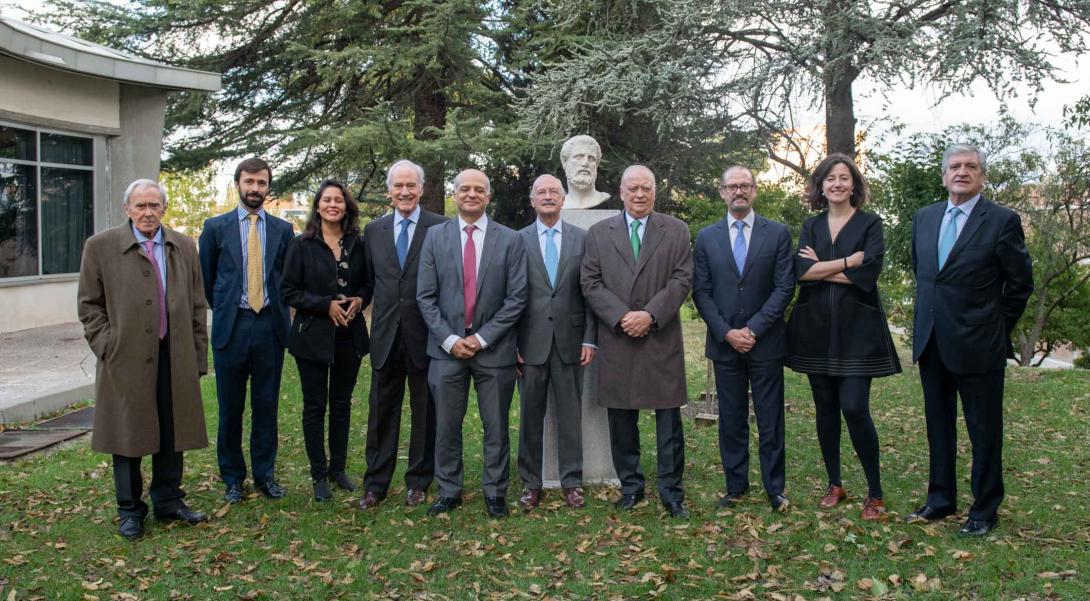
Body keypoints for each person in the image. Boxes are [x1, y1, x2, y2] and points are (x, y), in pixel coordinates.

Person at [907, 143, 1033, 536]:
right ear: (944, 175)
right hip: (932, 342)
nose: (962, 172)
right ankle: (941, 499)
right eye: (955, 166)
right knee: (938, 425)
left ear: (982, 175)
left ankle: (984, 509)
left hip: (980, 345)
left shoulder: (1001, 221)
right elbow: (926, 275)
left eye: (971, 167)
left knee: (983, 430)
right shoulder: (924, 219)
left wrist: (995, 327)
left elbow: (1019, 283)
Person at [77, 179, 209, 540]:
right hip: (126, 357)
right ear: (127, 209)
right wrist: (108, 345)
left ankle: (168, 501)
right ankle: (129, 510)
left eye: (154, 205)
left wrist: (198, 356)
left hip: (175, 354)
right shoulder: (101, 247)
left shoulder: (183, 246)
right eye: (140, 206)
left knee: (173, 429)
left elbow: (198, 305)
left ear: (163, 208)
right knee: (128, 432)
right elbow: (89, 305)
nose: (148, 212)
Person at [784, 154, 901, 520]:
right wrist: (849, 262)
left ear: (854, 185)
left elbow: (868, 276)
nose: (836, 184)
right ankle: (835, 483)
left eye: (844, 178)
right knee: (825, 409)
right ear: (820, 185)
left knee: (854, 407)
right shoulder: (811, 225)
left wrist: (823, 268)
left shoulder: (870, 224)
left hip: (857, 332)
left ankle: (876, 494)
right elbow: (801, 273)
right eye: (829, 178)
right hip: (815, 328)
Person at [581, 165, 693, 518]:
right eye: (633, 188)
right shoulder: (599, 233)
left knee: (668, 422)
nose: (640, 194)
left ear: (655, 191)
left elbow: (681, 279)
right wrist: (621, 316)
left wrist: (650, 315)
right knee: (621, 420)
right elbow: (591, 282)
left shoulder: (675, 230)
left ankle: (671, 492)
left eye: (646, 188)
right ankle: (631, 488)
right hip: (618, 338)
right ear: (621, 191)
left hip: (660, 337)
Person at [416, 168, 528, 517]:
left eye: (479, 189)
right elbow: (425, 297)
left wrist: (480, 339)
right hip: (446, 352)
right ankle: (449, 490)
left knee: (495, 426)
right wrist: (451, 340)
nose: (472, 194)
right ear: (455, 193)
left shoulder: (510, 239)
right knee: (447, 426)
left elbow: (517, 297)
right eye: (465, 188)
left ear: (488, 196)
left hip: (494, 352)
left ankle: (495, 493)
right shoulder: (435, 237)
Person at [692, 166, 795, 513]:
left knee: (770, 419)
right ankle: (735, 486)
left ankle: (774, 488)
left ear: (754, 191)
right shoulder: (706, 238)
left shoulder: (777, 233)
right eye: (732, 186)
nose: (739, 191)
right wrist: (726, 332)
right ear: (721, 192)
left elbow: (784, 287)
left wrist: (752, 330)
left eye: (745, 185)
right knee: (731, 419)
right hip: (724, 344)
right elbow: (701, 291)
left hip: (765, 343)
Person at [199, 158, 295, 503]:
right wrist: (226, 308)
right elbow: (208, 281)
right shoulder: (215, 228)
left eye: (262, 183)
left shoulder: (283, 230)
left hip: (270, 326)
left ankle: (265, 476)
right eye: (249, 182)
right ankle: (233, 479)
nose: (255, 189)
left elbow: (287, 279)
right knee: (230, 408)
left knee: (266, 406)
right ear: (238, 184)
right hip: (232, 327)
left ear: (269, 187)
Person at [359, 160, 447, 509]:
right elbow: (370, 281)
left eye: (411, 185)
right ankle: (375, 483)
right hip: (384, 335)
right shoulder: (374, 230)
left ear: (422, 189)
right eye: (399, 186)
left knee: (425, 411)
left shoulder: (440, 227)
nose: (405, 192)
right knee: (381, 411)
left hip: (426, 335)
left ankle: (419, 481)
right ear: (389, 191)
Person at [281, 180, 370, 501]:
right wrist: (325, 305)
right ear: (317, 206)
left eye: (339, 200)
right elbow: (288, 290)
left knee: (342, 405)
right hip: (312, 337)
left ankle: (338, 470)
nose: (333, 204)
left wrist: (360, 299)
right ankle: (318, 474)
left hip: (350, 336)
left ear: (346, 207)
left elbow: (369, 283)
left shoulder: (358, 243)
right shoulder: (302, 244)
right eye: (327, 200)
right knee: (315, 406)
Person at [515, 174, 597, 510]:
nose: (548, 197)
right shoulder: (516, 240)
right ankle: (530, 483)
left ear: (563, 199)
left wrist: (591, 339)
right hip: (528, 344)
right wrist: (512, 344)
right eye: (541, 192)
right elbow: (510, 296)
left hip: (571, 342)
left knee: (569, 414)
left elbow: (591, 292)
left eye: (554, 191)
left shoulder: (583, 239)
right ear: (532, 200)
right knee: (530, 416)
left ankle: (572, 481)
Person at [560, 135, 610, 209]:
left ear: (596, 165)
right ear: (565, 162)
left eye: (591, 158)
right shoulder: (559, 204)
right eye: (579, 157)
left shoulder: (603, 199)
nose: (585, 163)